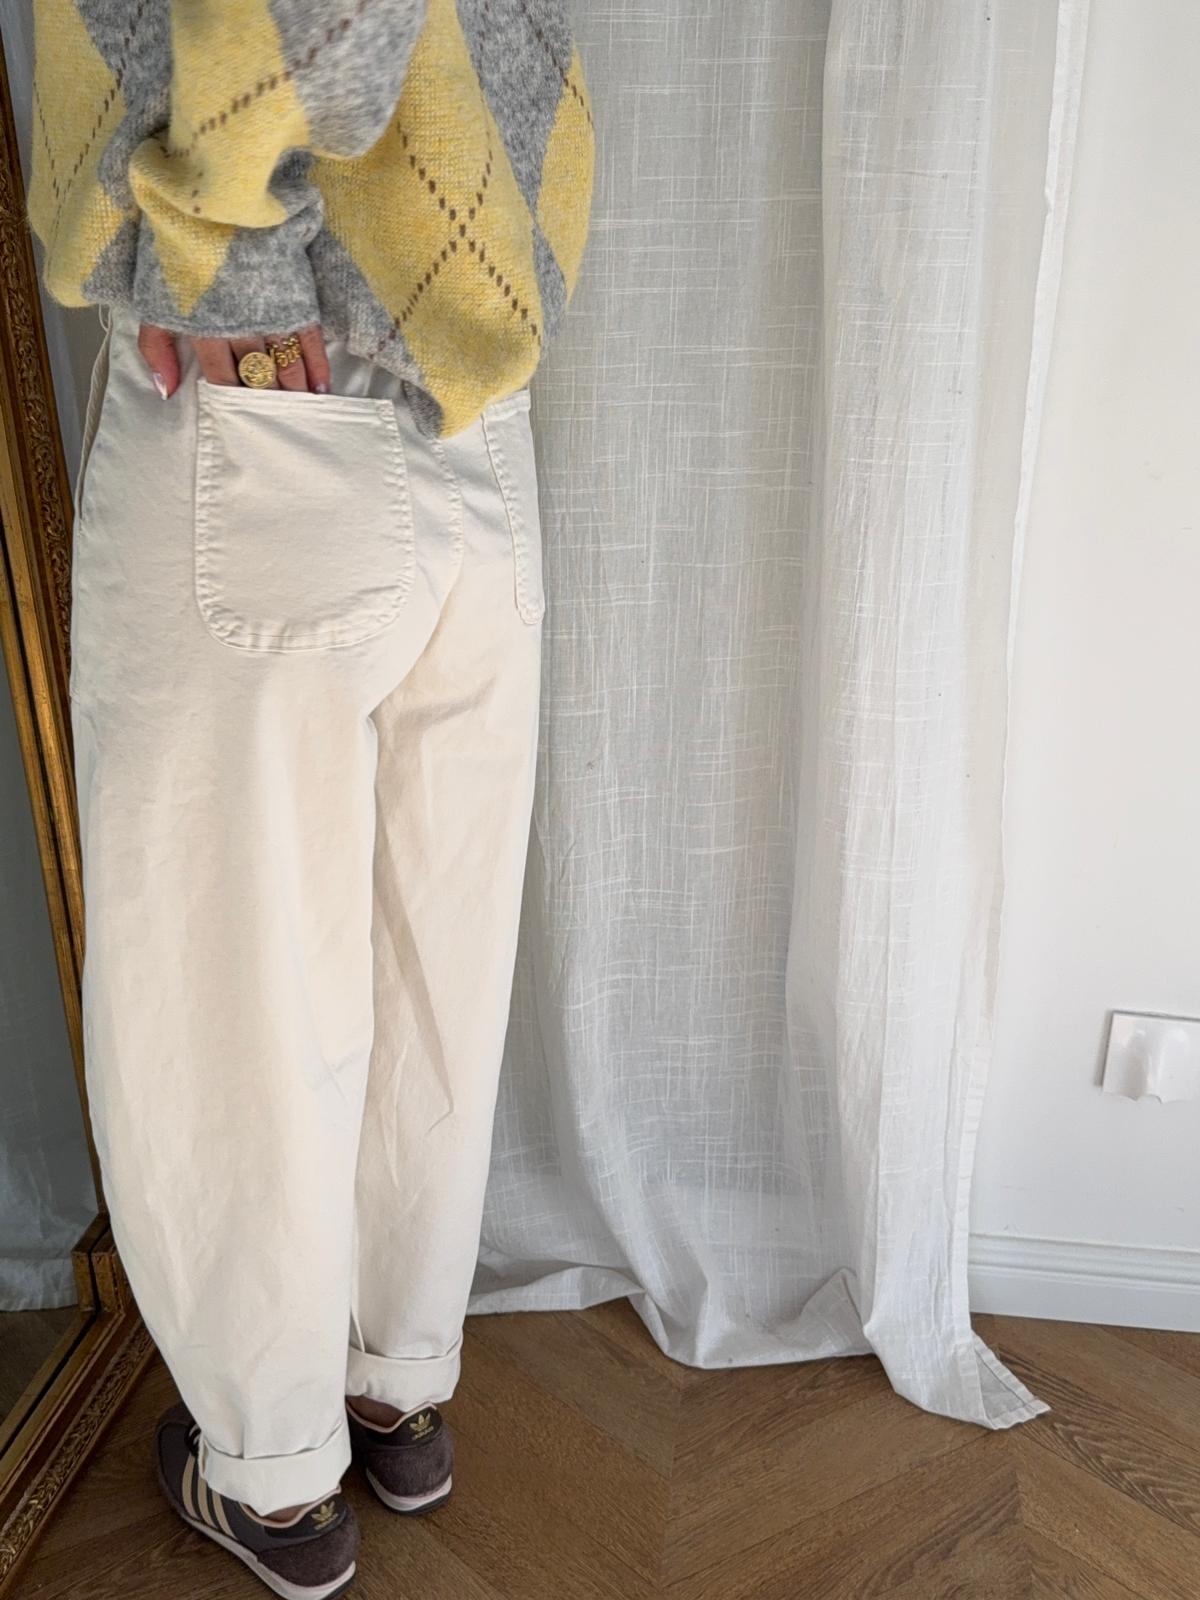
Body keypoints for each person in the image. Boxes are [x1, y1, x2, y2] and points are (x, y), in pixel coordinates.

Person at [28, 1, 593, 1594]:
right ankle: (391, 1387)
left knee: (231, 990)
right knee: (432, 948)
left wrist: (224, 270)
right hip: (470, 394)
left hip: (267, 401)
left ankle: (275, 1476)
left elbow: (318, 14)